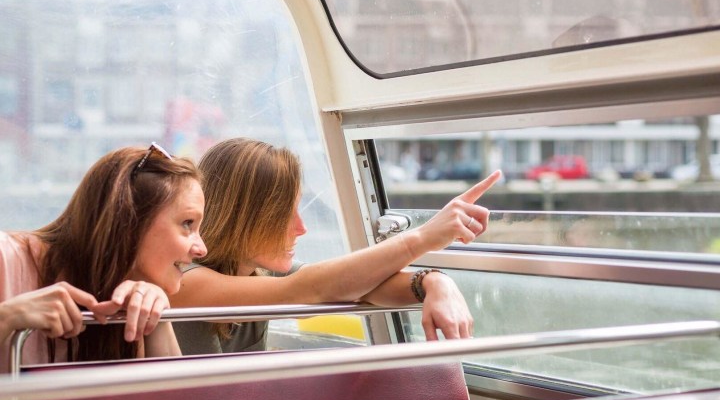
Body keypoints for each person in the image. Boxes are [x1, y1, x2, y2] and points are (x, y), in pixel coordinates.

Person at [171, 138, 501, 354]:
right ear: (243, 218)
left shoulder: (259, 273)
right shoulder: (184, 281)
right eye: (285, 215)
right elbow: (313, 287)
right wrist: (423, 238)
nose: (301, 228)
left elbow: (359, 286)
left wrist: (435, 282)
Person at [0, 143, 207, 365]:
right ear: (128, 222)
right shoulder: (5, 256)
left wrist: (158, 320)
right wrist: (7, 318)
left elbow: (174, 398)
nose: (202, 249)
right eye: (187, 224)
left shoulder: (127, 296)